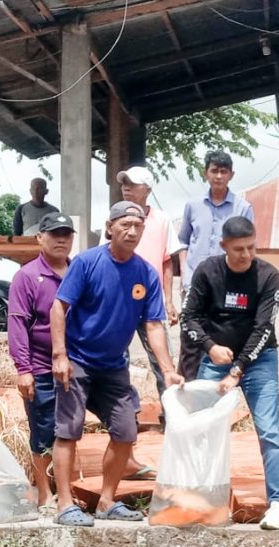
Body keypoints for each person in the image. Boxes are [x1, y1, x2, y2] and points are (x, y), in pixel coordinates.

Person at [49, 201, 183, 527]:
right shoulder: (86, 263)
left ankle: (107, 501)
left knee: (125, 430)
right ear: (110, 227)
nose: (132, 231)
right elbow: (58, 308)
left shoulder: (145, 274)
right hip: (77, 360)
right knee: (68, 431)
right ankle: (65, 504)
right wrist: (60, 355)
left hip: (113, 366)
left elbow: (153, 325)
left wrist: (167, 369)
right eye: (125, 225)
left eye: (138, 226)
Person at [180, 216, 279, 530]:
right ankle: (200, 500)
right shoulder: (207, 272)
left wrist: (238, 369)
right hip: (215, 358)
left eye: (251, 247)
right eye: (239, 249)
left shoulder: (268, 275)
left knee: (269, 431)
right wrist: (209, 347)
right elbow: (188, 318)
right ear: (224, 246)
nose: (246, 255)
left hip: (259, 360)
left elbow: (264, 327)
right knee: (202, 431)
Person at [7, 212, 76, 510]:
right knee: (43, 429)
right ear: (40, 238)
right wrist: (24, 370)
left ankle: (66, 490)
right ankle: (44, 492)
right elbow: (17, 324)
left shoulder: (79, 271)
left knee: (69, 430)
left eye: (66, 234)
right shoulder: (26, 276)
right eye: (54, 234)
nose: (61, 239)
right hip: (40, 367)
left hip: (76, 368)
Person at [118, 165, 183, 447]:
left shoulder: (162, 220)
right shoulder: (116, 218)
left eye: (132, 184)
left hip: (151, 299)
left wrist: (169, 300)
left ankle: (171, 418)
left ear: (148, 190)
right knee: (118, 360)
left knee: (162, 361)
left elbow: (168, 261)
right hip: (120, 298)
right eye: (124, 184)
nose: (127, 188)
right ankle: (123, 418)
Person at [176, 150, 255, 379]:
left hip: (225, 286)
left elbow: (248, 246)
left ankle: (213, 399)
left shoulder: (243, 208)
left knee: (218, 339)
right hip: (194, 284)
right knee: (190, 339)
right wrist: (184, 276)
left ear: (231, 175)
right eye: (214, 171)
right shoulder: (192, 205)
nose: (219, 176)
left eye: (224, 171)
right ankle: (186, 396)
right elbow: (183, 241)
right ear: (206, 173)